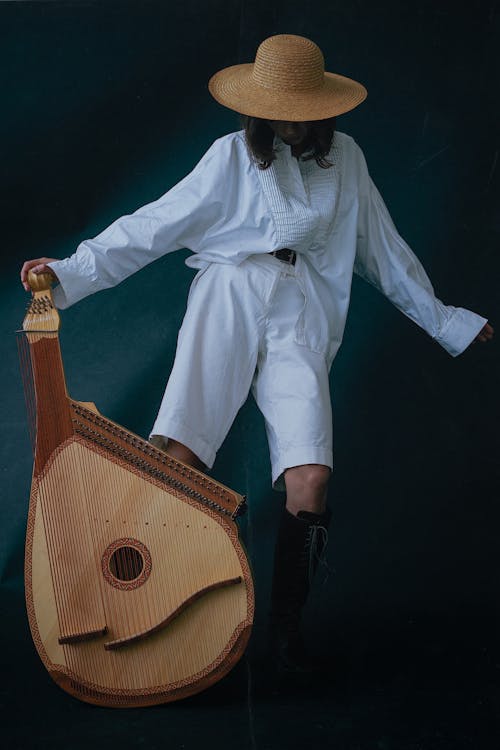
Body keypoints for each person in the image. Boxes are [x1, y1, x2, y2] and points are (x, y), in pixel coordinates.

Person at [21, 34, 494, 674]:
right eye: (279, 107)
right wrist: (71, 271)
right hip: (230, 295)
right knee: (182, 457)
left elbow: (383, 250)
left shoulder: (347, 159)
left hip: (303, 313)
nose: (291, 119)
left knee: (311, 475)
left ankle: (284, 635)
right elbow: (153, 224)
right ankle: (151, 621)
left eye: (302, 106)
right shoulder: (231, 156)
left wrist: (447, 322)